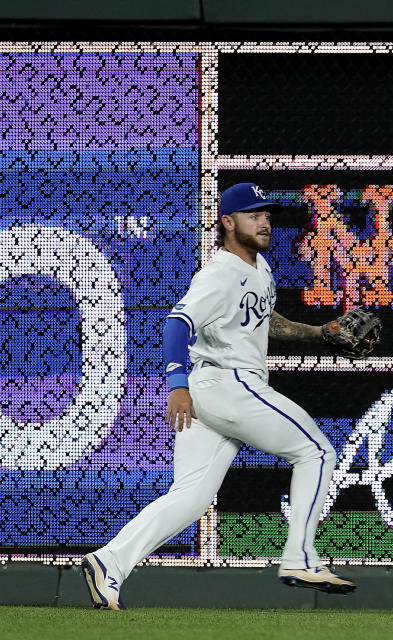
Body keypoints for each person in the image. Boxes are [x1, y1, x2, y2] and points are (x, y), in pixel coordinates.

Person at [82, 183, 357, 611]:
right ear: (228, 222)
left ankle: (109, 562)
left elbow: (266, 322)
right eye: (253, 214)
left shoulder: (259, 268)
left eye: (266, 214)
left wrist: (319, 334)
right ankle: (300, 559)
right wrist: (177, 385)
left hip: (218, 390)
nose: (264, 221)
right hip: (227, 384)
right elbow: (177, 323)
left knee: (191, 496)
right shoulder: (221, 271)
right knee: (317, 453)